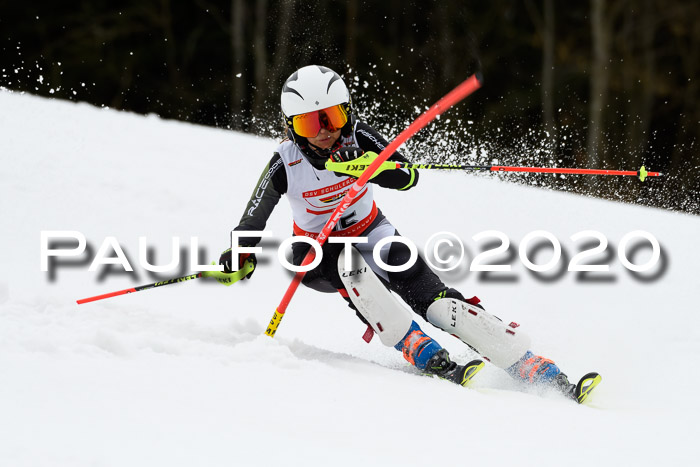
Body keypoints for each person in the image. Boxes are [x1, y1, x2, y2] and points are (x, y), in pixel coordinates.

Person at [219, 65, 584, 396]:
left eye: (331, 117)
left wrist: (367, 165)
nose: (325, 132)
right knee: (348, 265)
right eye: (310, 124)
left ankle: (525, 361)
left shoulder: (359, 136)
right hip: (316, 251)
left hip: (372, 231)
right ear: (291, 127)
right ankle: (411, 342)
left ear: (347, 112)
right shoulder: (285, 160)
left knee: (437, 301)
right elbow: (253, 216)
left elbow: (407, 175)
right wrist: (240, 252)